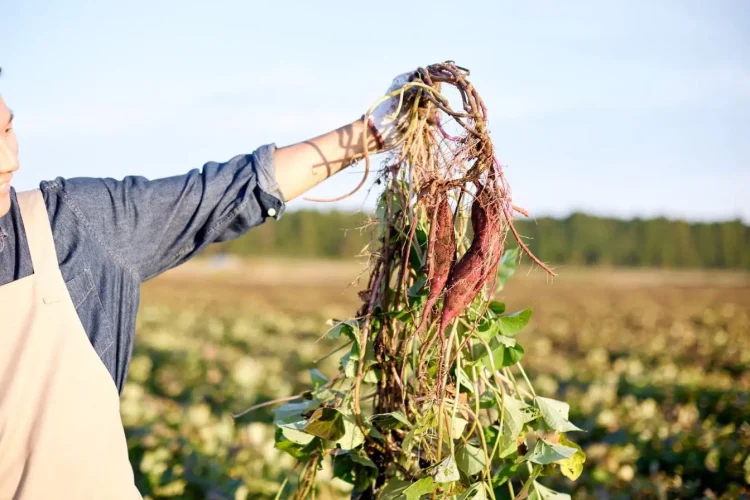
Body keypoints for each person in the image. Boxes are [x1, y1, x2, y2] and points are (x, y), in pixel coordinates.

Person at [0, 67, 418, 498]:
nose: (10, 160)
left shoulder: (72, 225)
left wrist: (374, 130)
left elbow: (229, 192)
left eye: (9, 128)